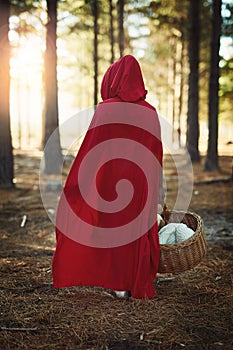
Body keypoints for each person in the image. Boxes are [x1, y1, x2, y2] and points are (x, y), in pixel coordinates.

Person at [52, 55, 163, 299]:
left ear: (113, 80)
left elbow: (91, 150)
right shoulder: (151, 112)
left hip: (108, 183)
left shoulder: (106, 109)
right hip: (141, 183)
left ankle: (115, 281)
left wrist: (78, 187)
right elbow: (156, 155)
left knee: (110, 229)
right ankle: (130, 281)